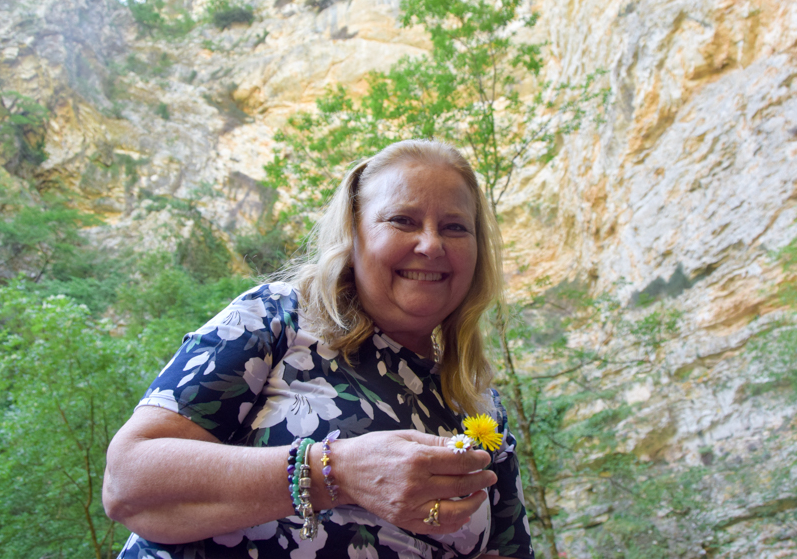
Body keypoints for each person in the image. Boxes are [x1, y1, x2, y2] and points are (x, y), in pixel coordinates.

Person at [103, 139, 535, 559]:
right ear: (353, 235)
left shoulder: (480, 407)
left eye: (455, 227)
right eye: (402, 220)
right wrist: (335, 472)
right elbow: (128, 484)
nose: (431, 244)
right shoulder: (277, 317)